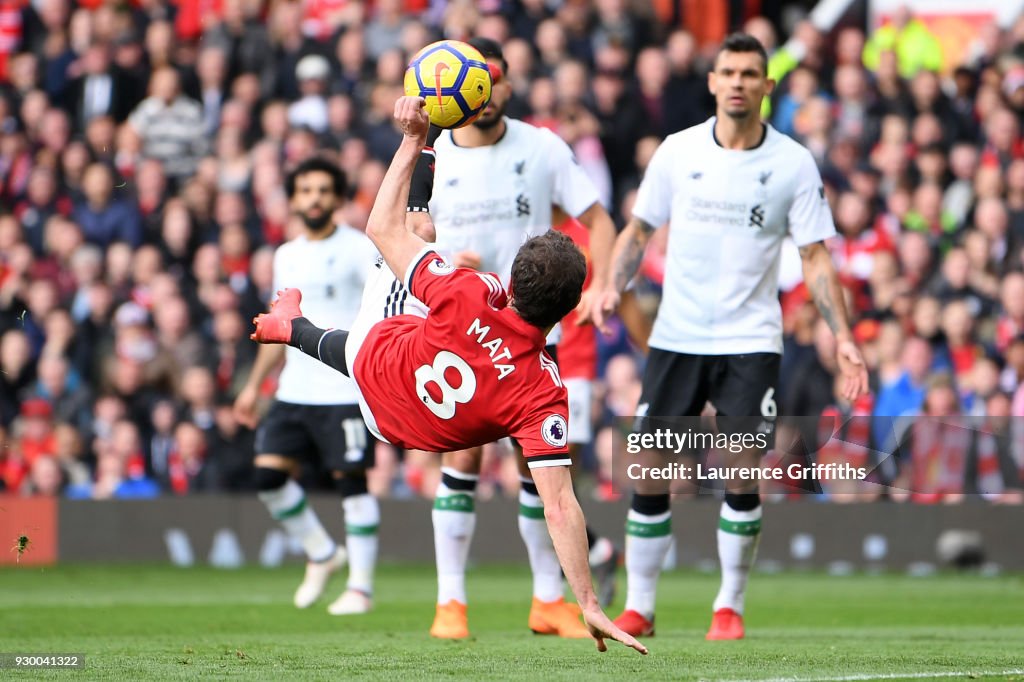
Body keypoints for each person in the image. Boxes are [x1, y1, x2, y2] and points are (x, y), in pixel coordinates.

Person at [249, 94, 647, 657]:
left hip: (376, 369)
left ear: (512, 279)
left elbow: (377, 226)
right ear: (566, 310)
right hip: (404, 431)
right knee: (423, 270)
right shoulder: (545, 393)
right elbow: (560, 505)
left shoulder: (473, 291)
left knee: (411, 235)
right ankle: (295, 330)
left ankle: (298, 331)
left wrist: (414, 139)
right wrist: (588, 603)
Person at [591, 33, 870, 640]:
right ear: (713, 82)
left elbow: (817, 260)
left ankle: (729, 606)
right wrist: (612, 285)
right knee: (648, 467)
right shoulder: (677, 151)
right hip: (677, 335)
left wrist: (842, 334)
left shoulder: (792, 163)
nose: (739, 81)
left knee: (743, 470)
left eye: (750, 72)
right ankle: (640, 604)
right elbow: (638, 230)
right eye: (729, 72)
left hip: (750, 338)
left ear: (768, 86)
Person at [405, 36, 620, 640]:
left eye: (495, 79)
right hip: (460, 324)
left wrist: (595, 293)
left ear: (504, 85)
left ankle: (547, 601)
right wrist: (444, 260)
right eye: (479, 80)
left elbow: (599, 221)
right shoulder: (432, 155)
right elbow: (404, 236)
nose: (489, 91)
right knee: (463, 452)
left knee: (541, 466)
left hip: (529, 327)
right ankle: (451, 604)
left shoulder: (542, 147)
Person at [233, 157, 381, 616]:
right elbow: (279, 328)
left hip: (344, 387)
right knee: (268, 477)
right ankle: (321, 552)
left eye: (323, 190)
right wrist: (253, 386)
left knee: (352, 486)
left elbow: (380, 310)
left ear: (338, 199)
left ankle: (360, 588)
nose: (314, 198)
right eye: (305, 190)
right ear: (294, 199)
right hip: (294, 388)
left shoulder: (361, 249)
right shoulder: (285, 255)